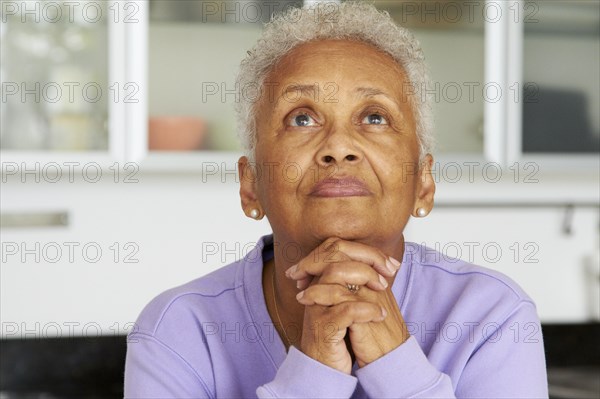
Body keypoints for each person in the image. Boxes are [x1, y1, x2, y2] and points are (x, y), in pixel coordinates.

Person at [124, 2, 548, 398]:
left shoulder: (495, 317)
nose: (339, 146)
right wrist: (312, 371)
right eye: (301, 118)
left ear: (423, 182)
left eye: (374, 117)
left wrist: (395, 362)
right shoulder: (177, 330)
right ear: (250, 185)